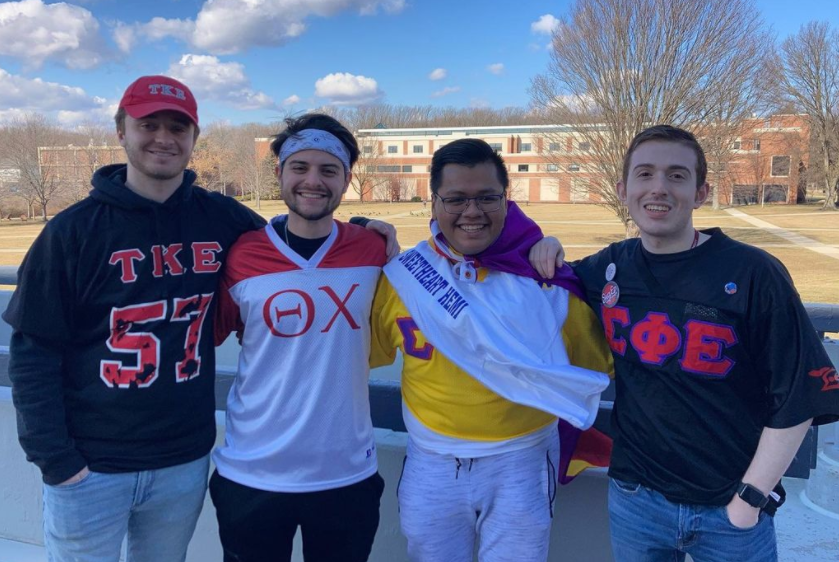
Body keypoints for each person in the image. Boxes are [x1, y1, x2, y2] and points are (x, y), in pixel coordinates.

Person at [3, 75, 268, 562]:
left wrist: (362, 231)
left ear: (193, 139)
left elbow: (290, 252)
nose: (164, 138)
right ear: (121, 131)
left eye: (178, 127)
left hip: (183, 458)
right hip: (91, 463)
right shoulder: (72, 232)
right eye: (148, 124)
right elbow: (33, 351)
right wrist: (56, 459)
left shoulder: (221, 217)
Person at [568, 125, 839, 561]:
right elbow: (531, 282)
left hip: (730, 509)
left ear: (700, 192)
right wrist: (541, 245)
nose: (659, 187)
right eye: (645, 174)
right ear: (623, 189)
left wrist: (749, 501)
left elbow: (797, 396)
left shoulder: (754, 273)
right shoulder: (608, 268)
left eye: (677, 175)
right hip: (636, 499)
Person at [369, 138, 613, 562]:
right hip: (432, 461)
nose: (472, 212)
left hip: (522, 460)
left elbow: (593, 369)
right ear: (434, 202)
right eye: (456, 199)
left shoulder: (547, 281)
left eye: (486, 198)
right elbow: (358, 354)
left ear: (506, 199)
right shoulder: (402, 277)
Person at [209, 113, 390, 562]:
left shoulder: (373, 249)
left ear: (347, 180)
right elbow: (203, 336)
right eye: (300, 167)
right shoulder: (243, 252)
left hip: (347, 474)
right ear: (280, 174)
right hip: (252, 473)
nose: (313, 181)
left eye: (328, 170)